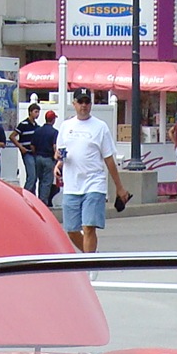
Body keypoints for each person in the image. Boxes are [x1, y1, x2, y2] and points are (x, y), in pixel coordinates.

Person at [53, 88, 128, 252]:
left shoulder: (100, 127)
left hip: (94, 183)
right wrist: (58, 163)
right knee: (72, 230)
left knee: (88, 227)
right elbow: (61, 152)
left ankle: (89, 265)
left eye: (87, 102)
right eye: (80, 102)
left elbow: (109, 159)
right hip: (72, 185)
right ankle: (92, 256)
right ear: (74, 104)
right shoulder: (66, 126)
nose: (84, 105)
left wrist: (119, 187)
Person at [27, 109, 60, 206]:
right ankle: (42, 203)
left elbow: (32, 145)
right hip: (48, 159)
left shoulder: (38, 130)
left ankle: (35, 201)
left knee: (38, 180)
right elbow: (55, 146)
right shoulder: (54, 132)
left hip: (38, 157)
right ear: (53, 120)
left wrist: (35, 154)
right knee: (46, 182)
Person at [14, 102, 42, 188]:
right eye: (35, 112)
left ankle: (31, 195)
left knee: (34, 177)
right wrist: (20, 147)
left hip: (34, 152)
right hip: (27, 152)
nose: (37, 114)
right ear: (30, 112)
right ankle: (25, 195)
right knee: (31, 176)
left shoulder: (37, 126)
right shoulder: (23, 124)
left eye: (38, 112)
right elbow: (12, 136)